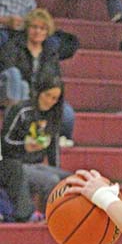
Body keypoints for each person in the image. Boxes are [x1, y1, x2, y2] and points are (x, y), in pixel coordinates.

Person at [1, 73, 70, 221]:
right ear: (39, 92)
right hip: (16, 164)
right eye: (47, 95)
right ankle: (47, 217)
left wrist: (55, 167)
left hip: (36, 164)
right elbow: (4, 144)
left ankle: (60, 216)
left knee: (69, 179)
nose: (49, 101)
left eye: (54, 98)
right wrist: (25, 146)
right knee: (51, 179)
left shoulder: (53, 114)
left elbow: (53, 149)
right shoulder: (20, 110)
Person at [0, 8, 75, 141]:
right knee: (17, 78)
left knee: (68, 114)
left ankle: (56, 139)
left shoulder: (50, 53)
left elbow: (54, 81)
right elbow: (7, 71)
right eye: (34, 27)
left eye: (42, 28)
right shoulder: (13, 46)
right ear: (27, 28)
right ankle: (16, 126)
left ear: (47, 32)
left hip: (38, 96)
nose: (38, 31)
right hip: (12, 92)